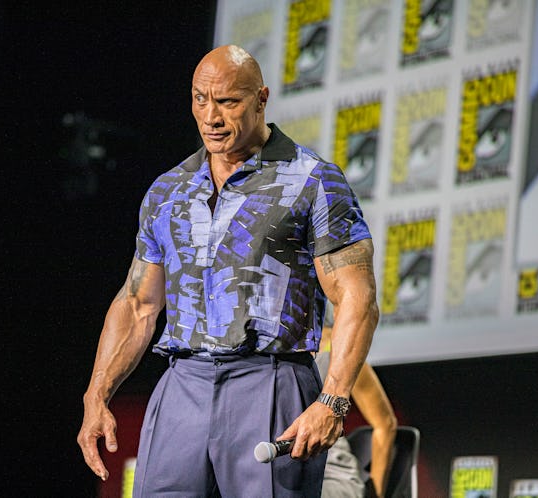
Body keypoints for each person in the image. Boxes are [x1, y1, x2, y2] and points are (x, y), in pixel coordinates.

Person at [77, 44, 379, 497]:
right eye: (201, 99)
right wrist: (96, 394)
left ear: (262, 98)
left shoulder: (313, 180)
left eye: (228, 102)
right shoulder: (168, 191)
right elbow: (138, 302)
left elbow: (357, 297)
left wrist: (333, 400)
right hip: (184, 385)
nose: (211, 116)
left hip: (271, 382)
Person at [317, 307, 397, 498]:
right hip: (291, 475)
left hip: (333, 479)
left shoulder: (339, 355)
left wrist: (375, 495)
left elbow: (385, 425)